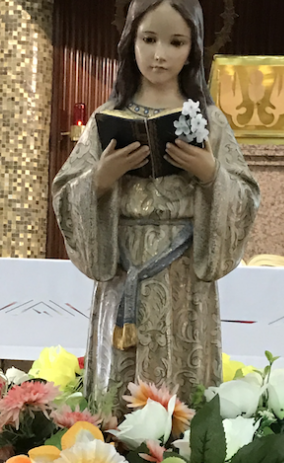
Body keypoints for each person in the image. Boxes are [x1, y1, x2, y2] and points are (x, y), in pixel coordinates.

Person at [53, 0, 259, 415]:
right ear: (131, 42)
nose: (159, 54)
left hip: (184, 275)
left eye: (175, 42)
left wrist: (211, 174)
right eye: (149, 39)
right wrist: (100, 180)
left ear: (193, 48)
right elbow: (65, 193)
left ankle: (182, 449)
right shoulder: (107, 117)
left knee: (181, 398)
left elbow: (245, 195)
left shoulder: (210, 121)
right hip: (123, 267)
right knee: (116, 397)